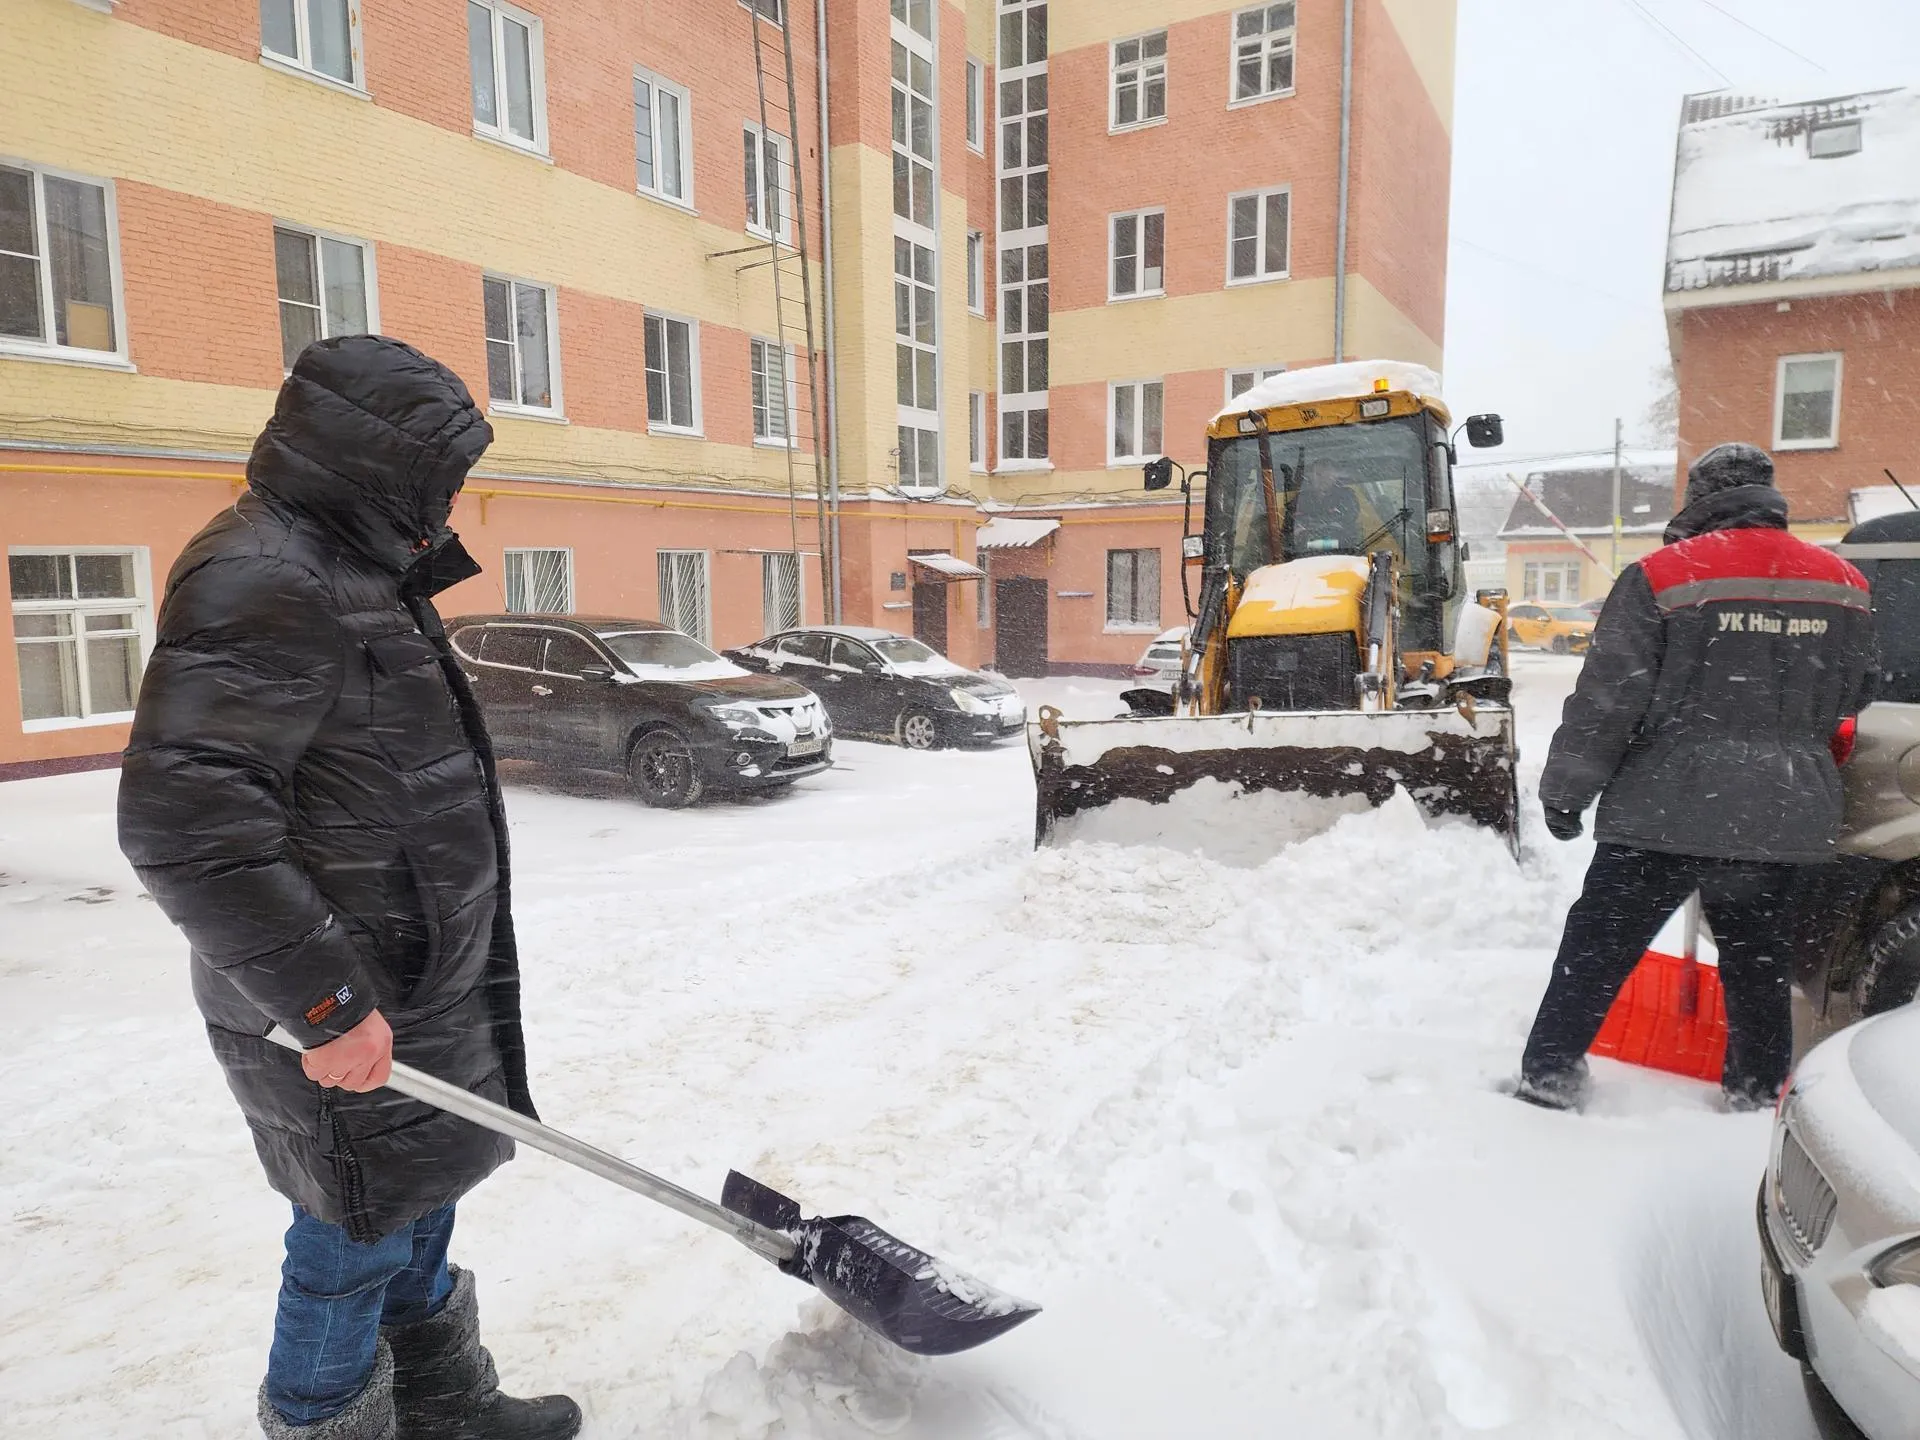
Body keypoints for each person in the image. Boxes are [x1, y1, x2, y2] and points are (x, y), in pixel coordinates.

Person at [118, 337, 582, 1439]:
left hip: (415, 974)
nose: (454, 498)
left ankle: (442, 1406)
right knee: (351, 1235)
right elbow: (184, 823)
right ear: (372, 464)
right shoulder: (259, 576)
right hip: (341, 992)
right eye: (440, 474)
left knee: (420, 1202)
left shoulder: (354, 562)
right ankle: (329, 1424)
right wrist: (325, 1003)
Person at [1516, 442, 1875, 1113]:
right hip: (1781, 810)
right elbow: (1858, 692)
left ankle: (1550, 1074)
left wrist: (1567, 792)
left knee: (1597, 948)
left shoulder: (1664, 576)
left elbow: (1608, 701)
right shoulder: (1846, 586)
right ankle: (1755, 1088)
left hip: (1664, 808)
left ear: (1699, 496)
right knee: (1758, 962)